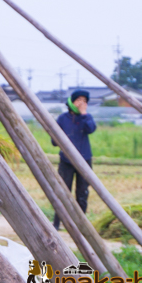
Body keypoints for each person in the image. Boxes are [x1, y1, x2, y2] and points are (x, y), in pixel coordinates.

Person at [51, 89, 97, 229]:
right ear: (72, 101)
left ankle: (81, 225)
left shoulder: (86, 118)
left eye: (84, 101)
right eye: (79, 100)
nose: (81, 103)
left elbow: (91, 129)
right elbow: (54, 141)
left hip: (84, 160)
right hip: (66, 161)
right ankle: (57, 223)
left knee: (82, 193)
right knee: (63, 191)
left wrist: (83, 114)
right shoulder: (63, 118)